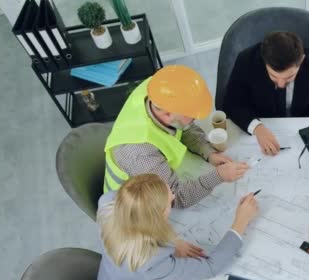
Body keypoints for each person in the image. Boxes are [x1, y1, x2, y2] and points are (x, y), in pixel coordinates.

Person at [92, 174, 259, 280]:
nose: (172, 195)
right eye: (169, 202)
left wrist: (173, 241)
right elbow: (211, 267)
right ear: (156, 219)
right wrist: (240, 222)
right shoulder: (150, 261)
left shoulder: (108, 202)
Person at [104, 65, 249, 208]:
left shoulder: (158, 89)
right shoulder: (139, 152)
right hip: (132, 208)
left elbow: (184, 127)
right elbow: (177, 197)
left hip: (153, 173)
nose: (194, 119)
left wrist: (208, 152)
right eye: (191, 115)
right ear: (167, 114)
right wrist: (219, 176)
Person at [222, 31, 309, 156]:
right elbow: (232, 102)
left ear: (301, 60)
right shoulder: (246, 61)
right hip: (262, 120)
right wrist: (257, 128)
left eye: (289, 77)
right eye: (273, 76)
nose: (281, 85)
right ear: (264, 62)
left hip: (302, 120)